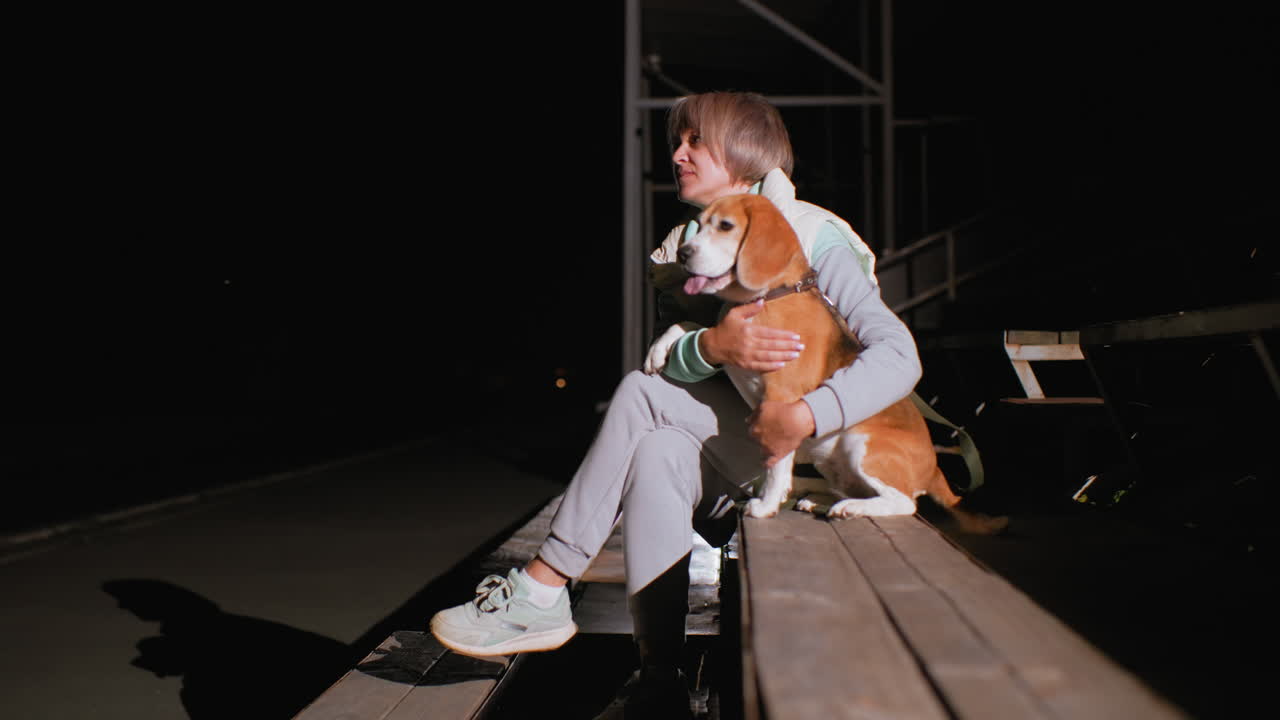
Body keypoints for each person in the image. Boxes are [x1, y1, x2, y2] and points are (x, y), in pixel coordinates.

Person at [429, 91, 921, 717]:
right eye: (677, 141)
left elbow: (899, 356)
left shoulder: (811, 234)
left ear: (743, 151)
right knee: (657, 445)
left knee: (639, 396)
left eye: (695, 140)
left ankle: (544, 586)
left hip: (806, 455)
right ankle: (659, 676)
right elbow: (677, 376)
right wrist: (714, 343)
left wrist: (808, 414)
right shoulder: (687, 245)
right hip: (727, 448)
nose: (678, 153)